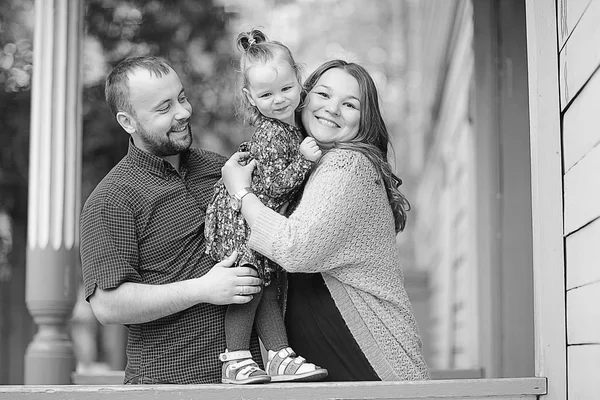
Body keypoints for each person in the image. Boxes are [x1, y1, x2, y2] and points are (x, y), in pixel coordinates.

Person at [221, 59, 430, 381]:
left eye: (349, 104)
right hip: (337, 356)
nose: (332, 109)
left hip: (370, 358)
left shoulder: (347, 166)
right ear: (304, 99)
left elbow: (293, 247)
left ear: (365, 120)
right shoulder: (307, 166)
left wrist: (241, 192)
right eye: (323, 95)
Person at [79, 56, 264, 385]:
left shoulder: (222, 170)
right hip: (164, 386)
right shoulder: (110, 199)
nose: (183, 113)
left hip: (247, 385)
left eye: (181, 98)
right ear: (128, 121)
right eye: (164, 108)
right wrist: (202, 289)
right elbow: (108, 306)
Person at [204, 29, 327, 384]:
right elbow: (274, 185)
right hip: (242, 225)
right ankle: (236, 359)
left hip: (259, 221)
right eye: (266, 94)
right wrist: (305, 161)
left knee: (266, 286)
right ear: (250, 96)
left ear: (298, 81)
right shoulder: (273, 133)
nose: (279, 99)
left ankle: (277, 354)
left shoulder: (290, 128)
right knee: (247, 286)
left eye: (286, 89)